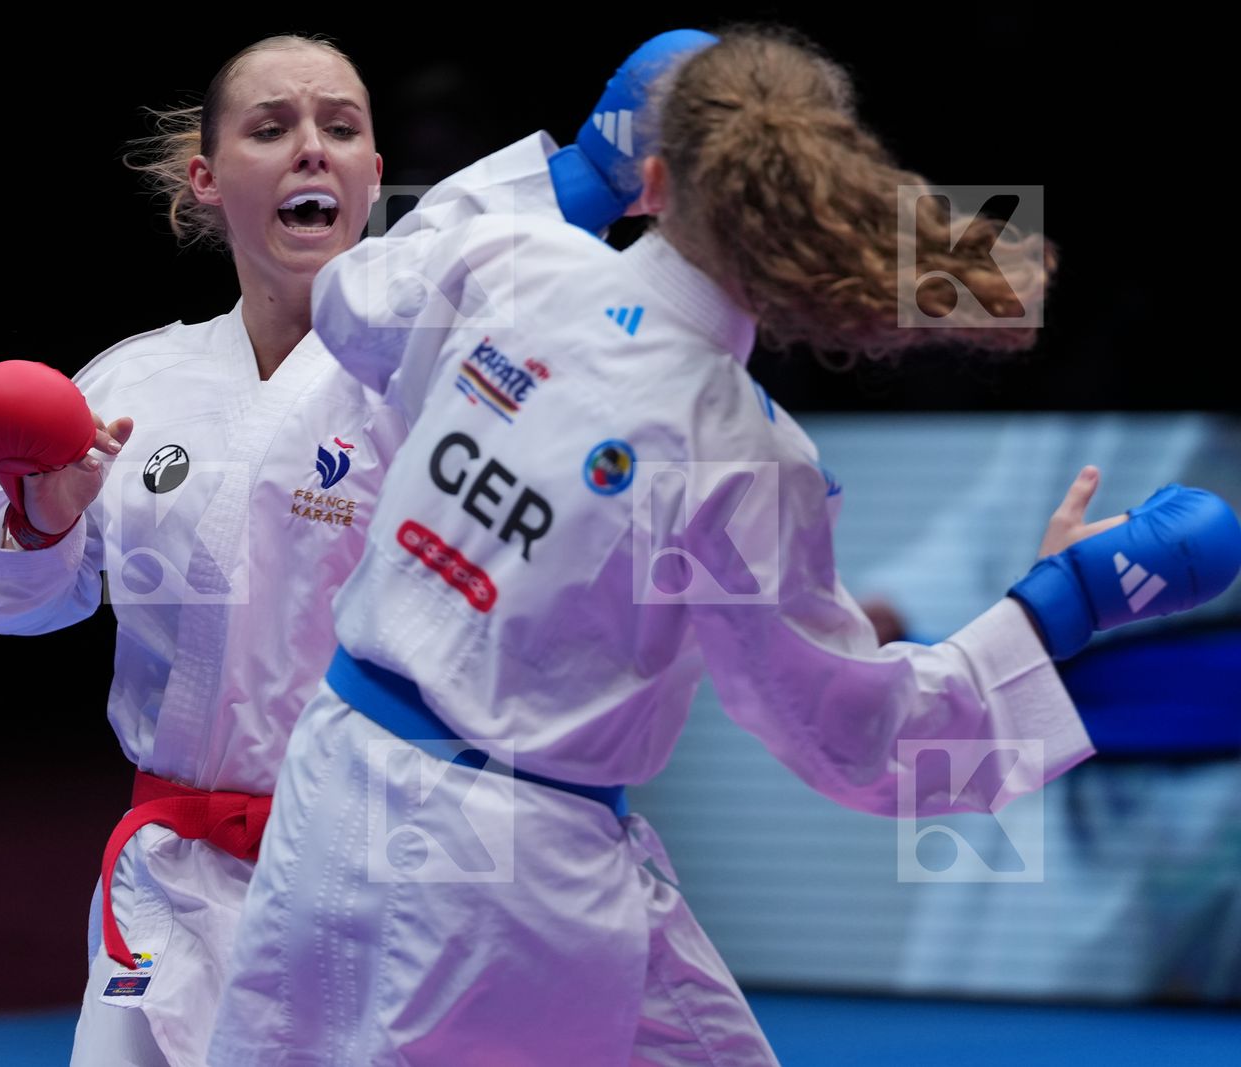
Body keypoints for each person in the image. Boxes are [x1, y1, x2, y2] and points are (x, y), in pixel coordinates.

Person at [207, 26, 1241, 1066]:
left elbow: (352, 298)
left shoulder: (516, 258)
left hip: (341, 774)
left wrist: (578, 173)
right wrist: (1067, 600)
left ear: (654, 180)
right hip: (511, 878)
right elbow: (859, 740)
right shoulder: (741, 452)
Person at [0, 31, 698, 1066]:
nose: (311, 149)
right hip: (178, 881)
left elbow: (479, 261)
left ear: (374, 175)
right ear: (206, 178)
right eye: (271, 127)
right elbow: (9, 601)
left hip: (395, 874)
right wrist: (43, 513)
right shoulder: (132, 383)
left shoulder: (454, 376)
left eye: (341, 129)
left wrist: (590, 181)